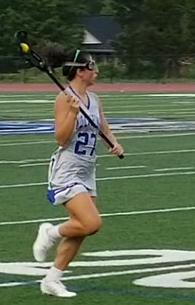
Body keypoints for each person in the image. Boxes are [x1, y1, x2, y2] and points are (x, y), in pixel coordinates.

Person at [31, 47, 124, 297]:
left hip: (87, 169)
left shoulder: (94, 99)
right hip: (67, 169)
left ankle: (52, 279)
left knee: (82, 228)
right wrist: (72, 112)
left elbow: (102, 127)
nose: (96, 71)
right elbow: (61, 139)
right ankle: (49, 232)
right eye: (92, 66)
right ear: (80, 71)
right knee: (91, 223)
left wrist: (113, 142)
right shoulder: (64, 98)